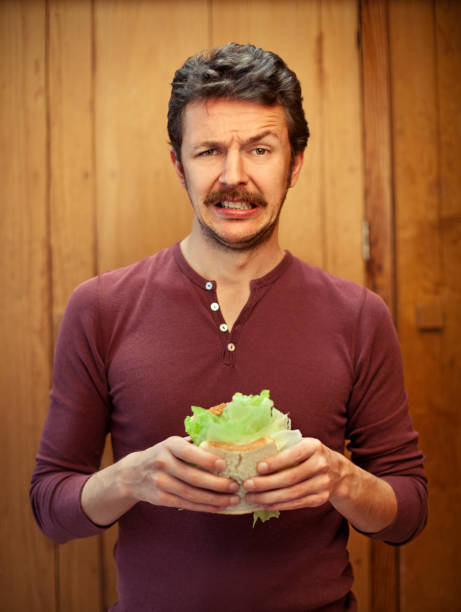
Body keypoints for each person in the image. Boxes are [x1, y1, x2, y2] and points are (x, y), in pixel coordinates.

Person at [30, 43, 427, 611]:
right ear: (178, 164)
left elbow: (407, 513)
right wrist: (130, 478)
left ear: (294, 162)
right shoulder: (99, 307)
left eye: (260, 149)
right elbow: (50, 505)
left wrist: (343, 480)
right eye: (209, 150)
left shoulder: (359, 316)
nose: (233, 176)